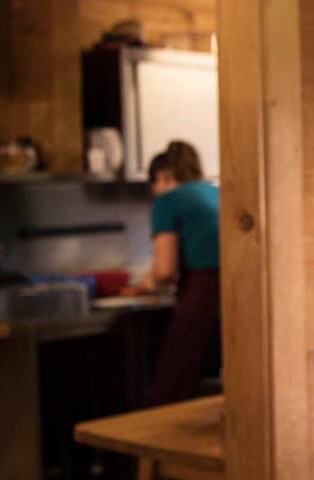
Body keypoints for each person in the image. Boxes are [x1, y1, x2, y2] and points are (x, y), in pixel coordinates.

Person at [135, 140, 221, 405]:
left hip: (203, 296)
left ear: (162, 176)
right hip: (237, 297)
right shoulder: (216, 193)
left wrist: (148, 283)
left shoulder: (168, 201)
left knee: (171, 388)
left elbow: (165, 271)